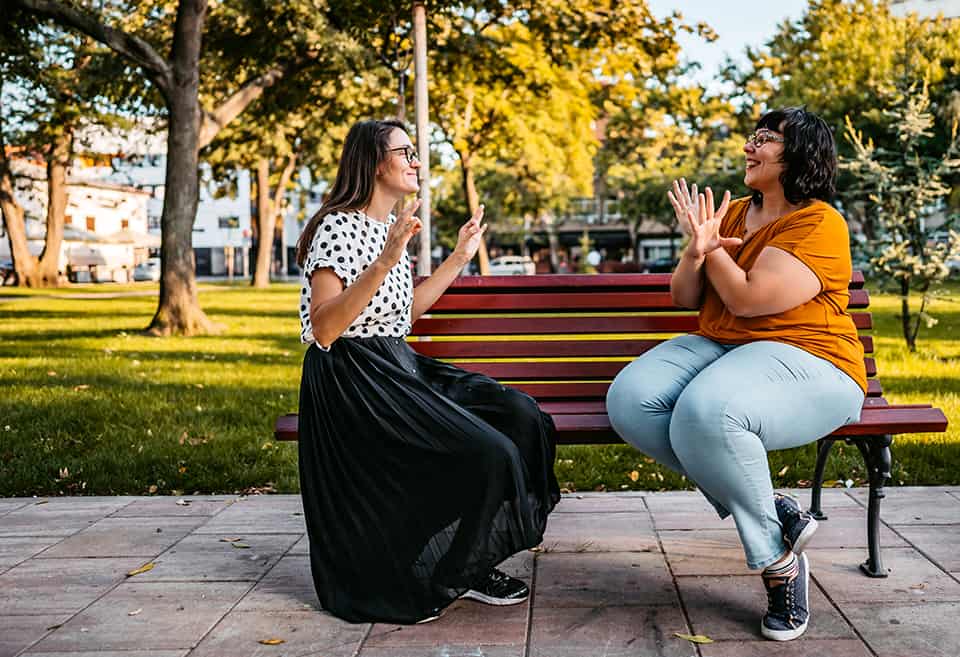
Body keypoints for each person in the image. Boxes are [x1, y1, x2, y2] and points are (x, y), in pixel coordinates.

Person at [606, 107, 866, 642]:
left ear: (798, 156)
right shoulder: (731, 214)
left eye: (765, 140)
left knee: (706, 412)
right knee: (631, 400)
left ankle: (778, 567)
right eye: (753, 137)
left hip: (808, 356)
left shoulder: (819, 223)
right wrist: (696, 248)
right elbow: (685, 296)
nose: (751, 147)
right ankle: (771, 510)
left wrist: (711, 252)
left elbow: (749, 300)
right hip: (723, 346)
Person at [295, 119, 560, 625]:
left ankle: (467, 561)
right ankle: (460, 567)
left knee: (519, 415)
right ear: (374, 162)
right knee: (488, 451)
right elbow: (327, 328)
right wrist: (387, 257)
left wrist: (458, 257)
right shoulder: (335, 226)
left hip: (398, 363)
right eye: (405, 151)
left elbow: (403, 314)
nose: (416, 160)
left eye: (415, 151)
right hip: (354, 378)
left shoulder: (391, 226)